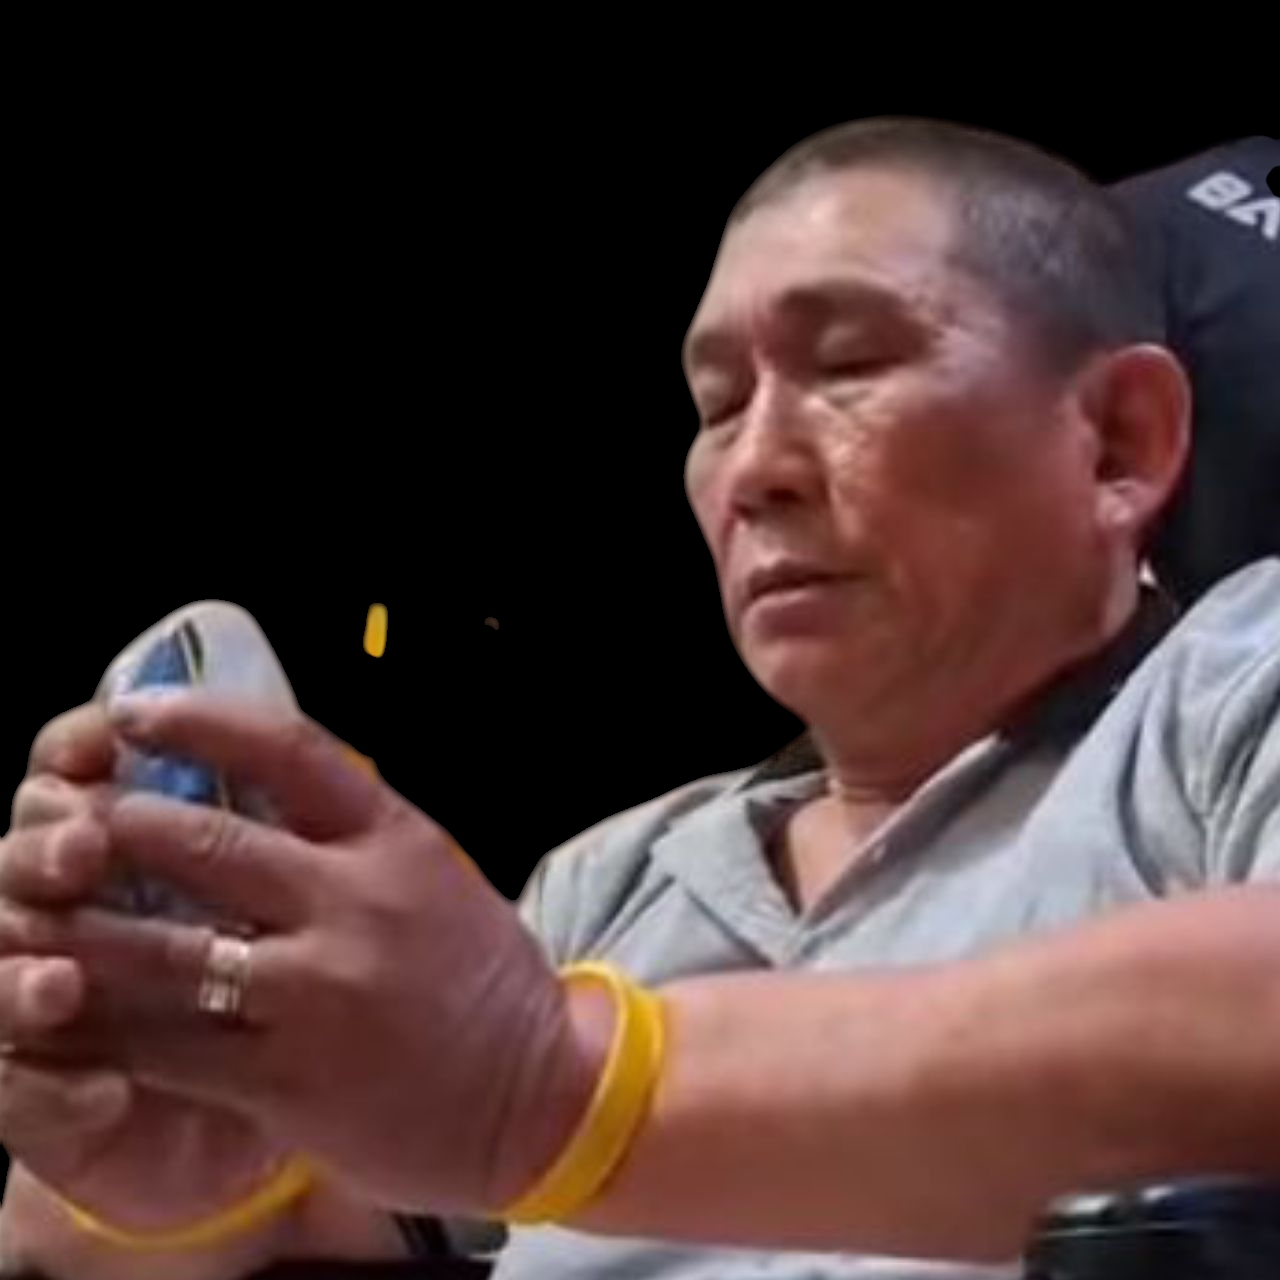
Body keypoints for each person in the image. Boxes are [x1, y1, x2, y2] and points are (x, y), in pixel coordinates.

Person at [0, 118, 1277, 1280]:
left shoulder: (1226, 685)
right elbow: (214, 1229)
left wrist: (556, 1087)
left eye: (847, 365)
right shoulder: (605, 882)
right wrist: (168, 1135)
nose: (754, 467)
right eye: (717, 405)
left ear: (1117, 439)